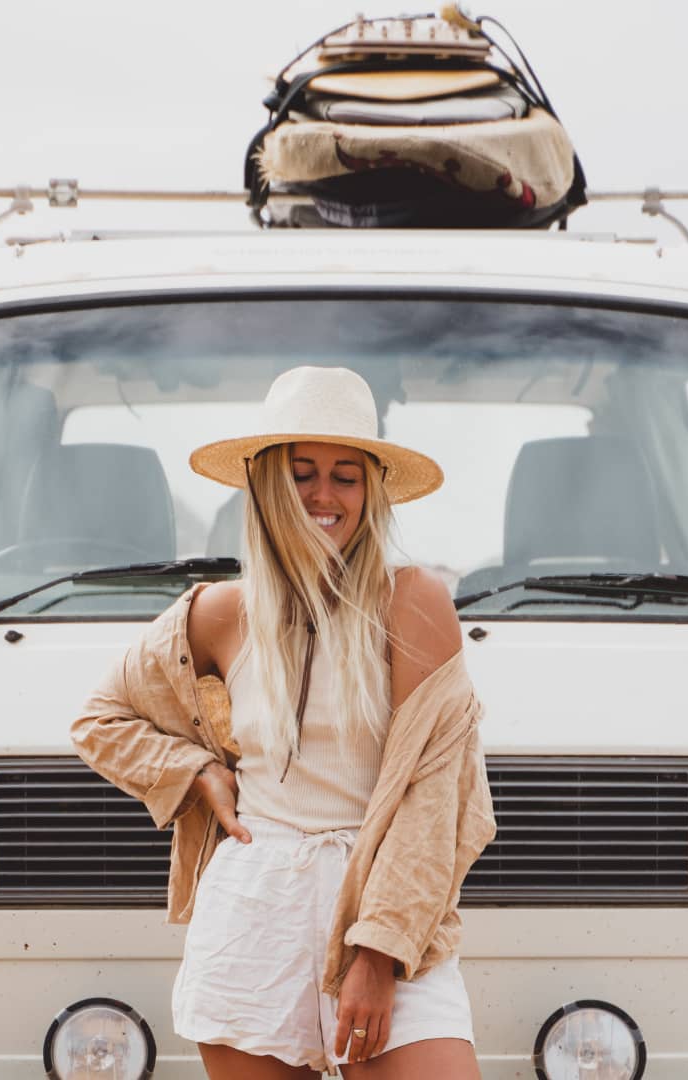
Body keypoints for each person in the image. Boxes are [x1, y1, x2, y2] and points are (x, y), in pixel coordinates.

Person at [71, 366, 496, 1079]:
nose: (323, 495)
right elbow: (101, 720)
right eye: (302, 473)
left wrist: (378, 951)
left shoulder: (412, 602)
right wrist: (195, 770)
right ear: (268, 484)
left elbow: (437, 794)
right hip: (255, 906)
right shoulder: (219, 613)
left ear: (371, 491)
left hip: (381, 905)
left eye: (345, 476)